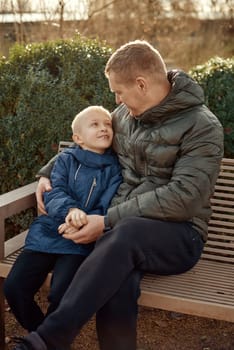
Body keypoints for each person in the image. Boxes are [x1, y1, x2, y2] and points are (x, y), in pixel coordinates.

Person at [13, 40, 223, 350]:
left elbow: (185, 197)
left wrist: (107, 220)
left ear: (141, 84)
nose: (116, 99)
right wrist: (49, 170)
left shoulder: (202, 126)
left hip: (180, 236)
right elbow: (91, 144)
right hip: (122, 238)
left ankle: (48, 339)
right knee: (119, 280)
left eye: (118, 91)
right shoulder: (125, 116)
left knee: (123, 232)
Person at [4, 105, 122, 333]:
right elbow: (54, 191)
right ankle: (44, 338)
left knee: (61, 293)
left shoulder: (115, 170)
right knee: (14, 288)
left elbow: (109, 204)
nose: (104, 128)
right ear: (78, 138)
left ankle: (44, 342)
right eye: (95, 124)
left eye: (108, 124)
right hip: (48, 233)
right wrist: (70, 211)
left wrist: (87, 220)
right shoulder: (64, 161)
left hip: (82, 240)